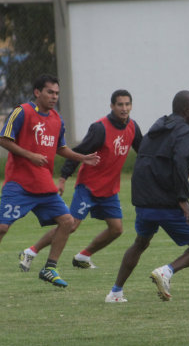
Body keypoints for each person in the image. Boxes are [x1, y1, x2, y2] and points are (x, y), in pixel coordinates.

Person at [0, 74, 100, 291]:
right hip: (19, 184)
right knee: (2, 227)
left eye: (57, 93)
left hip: (44, 186)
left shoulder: (57, 119)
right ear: (37, 92)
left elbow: (60, 148)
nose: (54, 97)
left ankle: (49, 268)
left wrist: (83, 158)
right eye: (50, 92)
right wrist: (30, 155)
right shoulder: (22, 111)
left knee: (67, 222)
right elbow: (3, 139)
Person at [105, 90, 189, 303]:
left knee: (140, 243)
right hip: (165, 201)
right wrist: (183, 200)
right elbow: (180, 164)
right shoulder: (188, 134)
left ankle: (115, 292)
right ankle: (166, 271)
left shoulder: (158, 127)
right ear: (186, 110)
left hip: (143, 199)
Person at [18, 89, 143, 271]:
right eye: (120, 104)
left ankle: (83, 256)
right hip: (89, 186)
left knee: (116, 229)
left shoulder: (133, 127)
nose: (124, 108)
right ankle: (30, 251)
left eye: (127, 104)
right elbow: (79, 152)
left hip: (109, 189)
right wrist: (63, 178)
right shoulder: (100, 128)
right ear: (112, 106)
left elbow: (144, 151)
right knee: (71, 225)